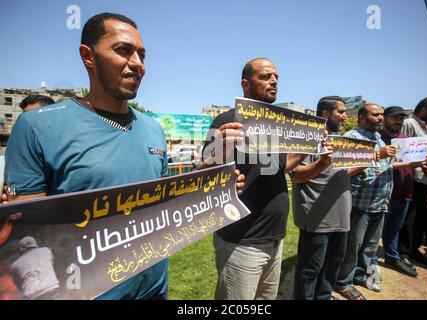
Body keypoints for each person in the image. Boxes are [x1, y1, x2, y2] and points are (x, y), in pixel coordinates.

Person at [4, 12, 246, 300]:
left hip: (155, 289)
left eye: (142, 55)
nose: (137, 64)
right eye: (123, 51)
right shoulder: (36, 126)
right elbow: (27, 231)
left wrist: (211, 179)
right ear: (88, 56)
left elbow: (163, 201)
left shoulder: (153, 129)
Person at [200, 58, 304, 300]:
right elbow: (202, 173)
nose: (274, 80)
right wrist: (220, 151)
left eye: (276, 76)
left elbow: (278, 169)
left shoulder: (278, 126)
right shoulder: (226, 121)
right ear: (246, 84)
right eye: (266, 76)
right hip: (242, 239)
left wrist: (307, 151)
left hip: (275, 237)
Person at [290, 96, 349, 300]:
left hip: (341, 216)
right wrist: (322, 163)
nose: (345, 116)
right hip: (317, 217)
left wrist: (370, 160)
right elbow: (296, 176)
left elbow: (341, 173)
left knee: (332, 265)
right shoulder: (305, 137)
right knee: (310, 269)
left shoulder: (340, 140)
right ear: (326, 114)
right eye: (341, 112)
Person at [335, 103, 396, 299]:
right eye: (376, 114)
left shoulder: (378, 138)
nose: (380, 118)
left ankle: (359, 274)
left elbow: (382, 166)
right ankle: (343, 282)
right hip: (360, 203)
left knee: (369, 246)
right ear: (362, 117)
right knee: (353, 246)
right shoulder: (352, 138)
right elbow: (346, 170)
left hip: (380, 202)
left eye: (382, 114)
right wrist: (376, 155)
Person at [380, 106, 422, 277]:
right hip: (386, 192)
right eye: (394, 118)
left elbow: (413, 161)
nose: (398, 122)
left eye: (401, 118)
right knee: (377, 231)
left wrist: (423, 162)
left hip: (405, 191)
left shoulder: (406, 139)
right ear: (384, 119)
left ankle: (392, 256)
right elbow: (381, 164)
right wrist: (409, 164)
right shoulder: (379, 140)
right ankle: (368, 263)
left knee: (395, 228)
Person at [399, 97, 427, 266]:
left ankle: (414, 249)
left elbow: (423, 151)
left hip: (426, 179)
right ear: (424, 110)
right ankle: (403, 251)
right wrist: (419, 162)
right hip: (414, 178)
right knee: (410, 217)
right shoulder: (409, 123)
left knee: (420, 218)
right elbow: (402, 150)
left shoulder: (425, 127)